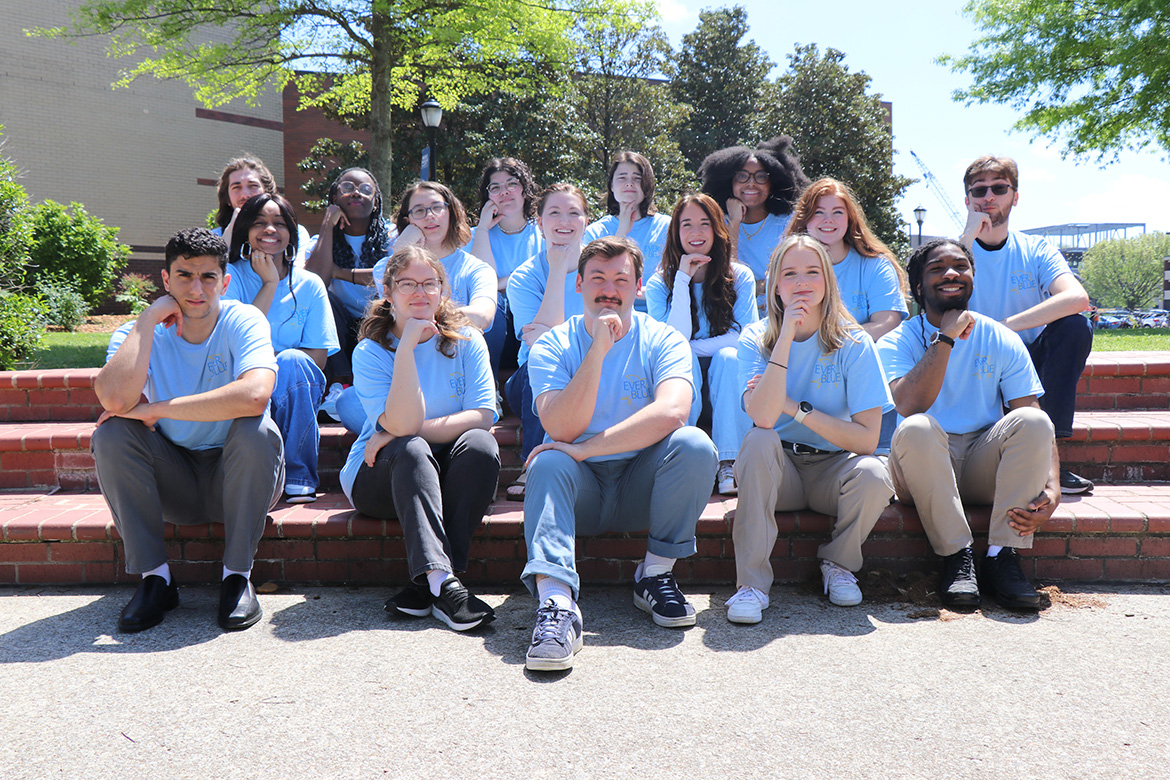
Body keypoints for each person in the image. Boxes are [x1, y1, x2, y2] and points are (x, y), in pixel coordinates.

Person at [522, 236, 718, 671]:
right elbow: (559, 427)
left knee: (695, 445)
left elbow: (673, 412)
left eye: (620, 279)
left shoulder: (664, 339)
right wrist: (597, 349)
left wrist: (587, 447)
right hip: (581, 491)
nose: (609, 288)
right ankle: (556, 606)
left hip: (642, 487)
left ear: (639, 285)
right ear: (579, 284)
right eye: (598, 278)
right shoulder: (553, 344)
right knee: (549, 459)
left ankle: (654, 575)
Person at [91, 228, 283, 633]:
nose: (196, 289)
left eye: (208, 277)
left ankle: (237, 577)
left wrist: (155, 408)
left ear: (225, 282)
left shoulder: (243, 319)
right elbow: (112, 400)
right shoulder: (135, 333)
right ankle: (156, 579)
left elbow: (254, 396)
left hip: (237, 474)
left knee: (257, 430)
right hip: (173, 477)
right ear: (165, 280)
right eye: (184, 276)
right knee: (110, 435)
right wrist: (148, 319)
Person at [877, 238, 1059, 611]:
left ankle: (1001, 557)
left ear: (972, 278)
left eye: (960, 266)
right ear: (918, 288)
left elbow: (1033, 414)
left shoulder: (1001, 338)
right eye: (937, 268)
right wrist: (945, 337)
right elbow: (909, 404)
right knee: (918, 427)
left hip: (980, 460)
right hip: (921, 465)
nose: (950, 274)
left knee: (1033, 420)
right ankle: (957, 558)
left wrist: (1053, 488)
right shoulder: (897, 341)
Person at [729, 235, 893, 622]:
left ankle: (838, 565)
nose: (801, 282)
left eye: (811, 272)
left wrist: (795, 408)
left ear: (827, 280)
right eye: (789, 274)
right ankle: (750, 584)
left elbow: (868, 439)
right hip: (777, 470)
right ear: (774, 285)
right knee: (757, 440)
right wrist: (785, 334)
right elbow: (764, 418)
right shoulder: (755, 337)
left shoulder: (854, 342)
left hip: (832, 470)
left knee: (874, 474)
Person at [339, 245, 500, 631]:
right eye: (407, 283)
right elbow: (404, 423)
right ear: (388, 293)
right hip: (382, 475)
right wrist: (407, 348)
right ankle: (446, 588)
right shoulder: (370, 351)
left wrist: (398, 431)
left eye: (430, 283)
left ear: (443, 291)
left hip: (444, 471)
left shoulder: (466, 339)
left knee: (481, 445)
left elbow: (484, 415)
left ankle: (438, 582)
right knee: (410, 448)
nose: (419, 293)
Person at [959, 155, 1093, 494]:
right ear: (967, 200)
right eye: (979, 191)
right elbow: (933, 304)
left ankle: (1051, 459)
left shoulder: (1035, 249)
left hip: (1028, 360)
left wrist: (1004, 327)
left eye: (999, 188)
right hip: (973, 362)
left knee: (1076, 327)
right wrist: (965, 242)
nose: (988, 197)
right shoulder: (954, 251)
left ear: (1014, 196)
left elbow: (1077, 298)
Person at [224, 193, 339, 504]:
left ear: (291, 232)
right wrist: (270, 284)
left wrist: (274, 366)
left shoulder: (310, 284)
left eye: (279, 223)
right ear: (245, 230)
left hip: (294, 384)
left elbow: (317, 358)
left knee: (293, 361)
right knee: (284, 363)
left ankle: (300, 476)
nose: (270, 230)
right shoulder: (229, 277)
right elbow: (234, 342)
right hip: (241, 378)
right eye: (259, 223)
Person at [644, 192, 757, 496]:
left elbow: (745, 338)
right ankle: (681, 454)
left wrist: (690, 347)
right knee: (684, 358)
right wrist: (682, 279)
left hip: (731, 392)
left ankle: (729, 461)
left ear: (717, 230)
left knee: (728, 357)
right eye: (687, 225)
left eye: (704, 224)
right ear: (675, 232)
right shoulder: (659, 283)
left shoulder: (740, 276)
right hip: (682, 388)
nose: (695, 233)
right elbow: (670, 344)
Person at [503, 183, 590, 500]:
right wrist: (556, 270)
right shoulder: (525, 276)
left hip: (591, 372)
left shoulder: (601, 268)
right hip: (532, 381)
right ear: (539, 222)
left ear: (586, 221)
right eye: (554, 213)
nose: (564, 221)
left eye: (573, 213)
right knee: (543, 360)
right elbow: (542, 343)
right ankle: (535, 462)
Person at [786, 177, 908, 340]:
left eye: (837, 212)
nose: (828, 219)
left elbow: (887, 323)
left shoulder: (876, 267)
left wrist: (834, 344)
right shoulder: (784, 268)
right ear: (805, 217)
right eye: (818, 212)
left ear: (849, 218)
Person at [305, 167, 397, 382]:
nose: (357, 193)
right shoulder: (319, 242)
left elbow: (391, 276)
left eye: (366, 189)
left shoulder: (393, 236)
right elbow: (314, 283)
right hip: (340, 325)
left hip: (382, 320)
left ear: (375, 202)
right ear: (335, 197)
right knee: (322, 298)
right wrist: (328, 224)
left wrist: (339, 272)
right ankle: (341, 383)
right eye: (348, 187)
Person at [698, 137, 810, 313]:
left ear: (772, 184)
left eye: (761, 177)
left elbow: (794, 276)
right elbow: (724, 278)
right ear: (730, 182)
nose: (751, 183)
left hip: (781, 315)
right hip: (733, 318)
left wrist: (752, 287)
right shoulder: (717, 224)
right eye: (742, 176)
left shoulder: (788, 222)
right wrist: (734, 223)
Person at [385, 181, 496, 331]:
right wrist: (400, 250)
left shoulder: (478, 269)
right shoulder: (383, 268)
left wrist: (423, 316)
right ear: (407, 221)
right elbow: (389, 316)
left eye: (437, 207)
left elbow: (482, 316)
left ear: (451, 213)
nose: (429, 216)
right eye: (419, 211)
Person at [468, 157, 544, 374]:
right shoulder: (474, 236)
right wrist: (483, 228)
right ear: (487, 195)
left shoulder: (543, 230)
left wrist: (507, 281)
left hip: (534, 321)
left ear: (524, 189)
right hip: (495, 328)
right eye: (496, 187)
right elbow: (481, 287)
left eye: (512, 184)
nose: (505, 192)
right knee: (496, 304)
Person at [583, 151, 671, 299]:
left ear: (646, 186)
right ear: (611, 185)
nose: (629, 183)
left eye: (637, 178)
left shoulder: (667, 227)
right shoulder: (594, 233)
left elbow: (674, 282)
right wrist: (621, 232)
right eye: (622, 178)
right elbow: (595, 283)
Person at [211, 156, 312, 261]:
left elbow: (299, 269)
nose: (245, 195)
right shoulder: (215, 236)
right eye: (236, 187)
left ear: (267, 192)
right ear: (227, 198)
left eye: (253, 186)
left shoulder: (295, 232)